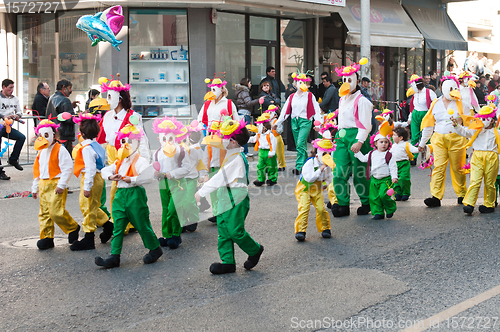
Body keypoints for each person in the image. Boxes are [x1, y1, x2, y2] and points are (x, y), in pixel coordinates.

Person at [195, 118, 264, 275]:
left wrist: (201, 192)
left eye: (225, 137)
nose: (222, 140)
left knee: (234, 230)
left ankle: (255, 250)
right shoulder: (232, 155)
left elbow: (220, 178)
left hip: (236, 196)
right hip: (226, 194)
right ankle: (227, 262)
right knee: (223, 229)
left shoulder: (236, 158)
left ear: (233, 142)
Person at [96, 123, 162, 268]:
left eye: (130, 141)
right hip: (120, 195)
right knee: (118, 226)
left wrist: (130, 179)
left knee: (141, 224)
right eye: (123, 141)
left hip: (135, 195)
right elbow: (106, 170)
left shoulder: (141, 161)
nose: (126, 144)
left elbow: (148, 177)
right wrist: (110, 177)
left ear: (137, 142)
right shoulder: (119, 162)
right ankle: (114, 256)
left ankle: (155, 248)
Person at [97, 74, 150, 234]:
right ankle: (126, 221)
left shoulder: (132, 116)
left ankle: (120, 223)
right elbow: (100, 137)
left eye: (109, 96)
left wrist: (145, 160)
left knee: (121, 190)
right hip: (112, 154)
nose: (107, 99)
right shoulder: (106, 116)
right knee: (120, 189)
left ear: (119, 98)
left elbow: (142, 138)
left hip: (129, 155)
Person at [330, 60, 373, 218]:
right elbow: (343, 120)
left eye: (349, 80)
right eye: (344, 80)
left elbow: (366, 125)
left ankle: (366, 201)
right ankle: (343, 204)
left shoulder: (362, 101)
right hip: (342, 138)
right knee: (339, 171)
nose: (346, 83)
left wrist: (360, 141)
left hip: (356, 137)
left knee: (359, 173)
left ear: (356, 81)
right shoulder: (342, 99)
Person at [419, 75, 468, 207]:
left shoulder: (462, 103)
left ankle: (462, 194)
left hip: (457, 139)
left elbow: (470, 123)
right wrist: (422, 143)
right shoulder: (435, 103)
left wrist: (473, 141)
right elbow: (429, 124)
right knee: (438, 167)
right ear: (442, 87)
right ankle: (436, 196)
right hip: (439, 139)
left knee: (458, 168)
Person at [31, 119, 80, 250]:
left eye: (46, 135)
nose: (44, 139)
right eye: (41, 136)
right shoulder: (40, 152)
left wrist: (62, 184)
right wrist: (35, 187)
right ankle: (47, 237)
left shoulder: (60, 149)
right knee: (44, 213)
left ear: (54, 134)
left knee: (56, 212)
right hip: (43, 183)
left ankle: (73, 227)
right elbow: (37, 170)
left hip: (56, 184)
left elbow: (67, 168)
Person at [70, 113, 110, 251]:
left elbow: (90, 169)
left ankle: (89, 238)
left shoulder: (86, 149)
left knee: (88, 207)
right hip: (97, 179)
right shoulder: (97, 145)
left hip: (91, 178)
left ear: (81, 133)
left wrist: (87, 186)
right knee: (92, 206)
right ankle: (108, 225)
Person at [452, 105, 500, 214]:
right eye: (481, 118)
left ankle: (489, 204)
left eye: (485, 119)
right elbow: (464, 132)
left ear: (492, 120)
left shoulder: (497, 132)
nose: (483, 121)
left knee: (490, 182)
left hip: (492, 157)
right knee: (475, 180)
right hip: (477, 156)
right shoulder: (476, 130)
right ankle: (470, 203)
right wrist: (456, 126)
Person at [152, 116, 191, 250]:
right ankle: (167, 235)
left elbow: (187, 168)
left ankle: (176, 235)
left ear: (175, 138)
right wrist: (156, 175)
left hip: (178, 183)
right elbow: (154, 169)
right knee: (165, 209)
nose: (167, 141)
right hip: (163, 184)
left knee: (173, 209)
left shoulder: (180, 150)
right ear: (159, 139)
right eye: (164, 139)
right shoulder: (157, 153)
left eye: (170, 138)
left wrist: (172, 174)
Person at [274, 72, 322, 175]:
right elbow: (285, 111)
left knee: (300, 143)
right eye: (299, 82)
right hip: (294, 121)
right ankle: (306, 165)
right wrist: (278, 123)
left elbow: (316, 110)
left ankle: (299, 166)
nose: (301, 84)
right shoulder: (292, 96)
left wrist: (318, 124)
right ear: (295, 84)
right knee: (300, 145)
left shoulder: (310, 95)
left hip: (305, 121)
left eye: (303, 82)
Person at [294, 137, 334, 242]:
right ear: (318, 154)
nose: (327, 157)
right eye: (325, 154)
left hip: (317, 188)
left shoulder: (327, 166)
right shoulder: (309, 163)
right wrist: (320, 170)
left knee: (321, 208)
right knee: (304, 208)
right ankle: (300, 231)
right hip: (304, 188)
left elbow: (329, 177)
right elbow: (309, 178)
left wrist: (325, 183)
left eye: (329, 154)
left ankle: (325, 228)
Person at [354, 134, 398, 220]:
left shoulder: (389, 155)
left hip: (385, 180)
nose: (384, 144)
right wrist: (357, 152)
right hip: (374, 179)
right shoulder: (372, 153)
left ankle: (390, 209)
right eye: (381, 142)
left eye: (386, 142)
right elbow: (363, 159)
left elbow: (393, 166)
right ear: (375, 144)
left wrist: (394, 176)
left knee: (384, 195)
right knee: (374, 197)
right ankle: (378, 212)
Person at [407, 75, 437, 164]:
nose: (411, 88)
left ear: (417, 85)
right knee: (414, 137)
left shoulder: (429, 92)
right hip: (415, 115)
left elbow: (436, 104)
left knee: (426, 137)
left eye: (412, 85)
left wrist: (435, 116)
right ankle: (413, 157)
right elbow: (413, 107)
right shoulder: (415, 94)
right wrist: (409, 117)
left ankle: (427, 158)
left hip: (426, 115)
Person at [0, 79, 25, 178]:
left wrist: (16, 116)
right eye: (10, 88)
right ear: (4, 87)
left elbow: (19, 111)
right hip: (1, 125)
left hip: (8, 127)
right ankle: (1, 171)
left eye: (13, 88)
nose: (12, 90)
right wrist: (4, 116)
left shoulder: (15, 99)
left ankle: (13, 159)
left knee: (21, 137)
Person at [46, 79, 78, 154]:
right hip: (64, 134)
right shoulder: (65, 100)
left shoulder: (52, 98)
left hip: (54, 133)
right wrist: (80, 116)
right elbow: (69, 118)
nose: (71, 91)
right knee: (65, 159)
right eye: (69, 88)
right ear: (64, 87)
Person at [390, 126, 419, 201]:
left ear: (401, 138)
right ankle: (397, 193)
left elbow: (413, 149)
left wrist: (419, 149)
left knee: (403, 178)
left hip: (404, 164)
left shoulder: (406, 144)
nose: (392, 137)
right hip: (394, 164)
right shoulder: (393, 145)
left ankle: (405, 193)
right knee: (394, 179)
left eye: (394, 135)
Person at [248, 114, 277, 186]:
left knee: (271, 166)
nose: (257, 127)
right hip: (261, 151)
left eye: (259, 126)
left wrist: (272, 152)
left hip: (268, 151)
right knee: (260, 166)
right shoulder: (258, 134)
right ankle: (261, 179)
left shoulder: (270, 134)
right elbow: (254, 139)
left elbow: (274, 143)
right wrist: (246, 139)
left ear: (264, 128)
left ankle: (272, 179)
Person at [235, 78, 259, 156]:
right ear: (246, 83)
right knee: (245, 132)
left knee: (243, 132)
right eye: (250, 83)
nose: (251, 84)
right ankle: (245, 151)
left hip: (241, 113)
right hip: (245, 114)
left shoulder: (240, 91)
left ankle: (245, 151)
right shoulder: (244, 92)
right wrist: (258, 100)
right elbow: (248, 103)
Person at [266, 105, 286, 171]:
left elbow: (280, 130)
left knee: (279, 153)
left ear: (275, 115)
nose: (269, 114)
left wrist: (276, 128)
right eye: (268, 112)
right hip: (270, 139)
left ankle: (281, 165)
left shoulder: (277, 121)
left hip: (277, 138)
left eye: (270, 113)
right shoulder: (268, 122)